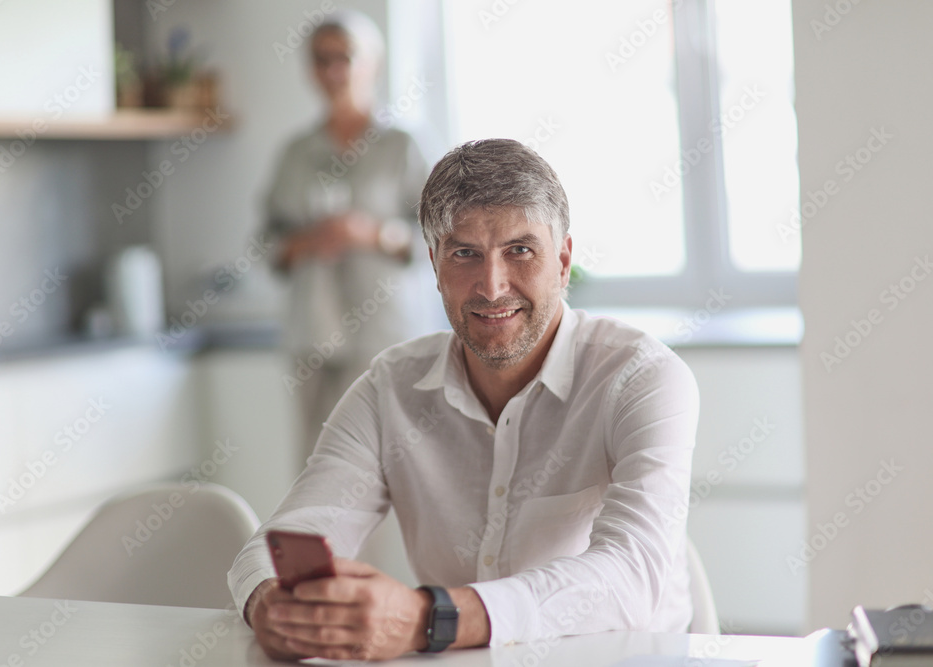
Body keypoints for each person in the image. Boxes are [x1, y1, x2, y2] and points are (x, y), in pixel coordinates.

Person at [230, 138, 700, 661]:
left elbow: (633, 574)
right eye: (464, 254)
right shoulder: (389, 389)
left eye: (520, 250)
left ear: (563, 261)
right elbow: (284, 537)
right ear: (434, 266)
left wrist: (433, 617)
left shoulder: (643, 378)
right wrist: (270, 602)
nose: (492, 286)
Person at [262, 10, 431, 463]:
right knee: (317, 469)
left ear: (372, 63)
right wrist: (305, 241)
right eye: (321, 59)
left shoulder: (401, 147)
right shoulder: (295, 154)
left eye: (345, 57)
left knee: (388, 467)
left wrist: (373, 233)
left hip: (383, 336)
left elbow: (439, 241)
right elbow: (266, 245)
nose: (334, 70)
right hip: (313, 335)